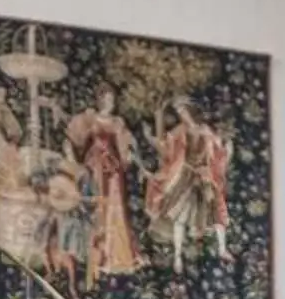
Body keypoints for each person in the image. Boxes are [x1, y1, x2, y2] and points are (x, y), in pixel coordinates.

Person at [61, 86, 145, 283]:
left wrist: (130, 155)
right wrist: (72, 154)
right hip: (94, 169)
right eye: (107, 99)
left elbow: (125, 146)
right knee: (96, 208)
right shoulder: (90, 119)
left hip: (113, 171)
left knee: (115, 210)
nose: (110, 103)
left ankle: (117, 254)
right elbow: (75, 139)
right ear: (100, 100)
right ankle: (95, 253)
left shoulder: (117, 122)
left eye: (112, 99)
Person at [150, 97, 231, 272]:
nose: (182, 116)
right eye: (179, 113)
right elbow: (164, 145)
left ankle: (222, 249)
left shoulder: (205, 131)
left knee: (214, 210)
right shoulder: (180, 131)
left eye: (183, 112)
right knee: (180, 215)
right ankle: (177, 256)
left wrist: (225, 149)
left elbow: (218, 151)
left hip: (204, 176)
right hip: (185, 176)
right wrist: (158, 118)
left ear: (191, 111)